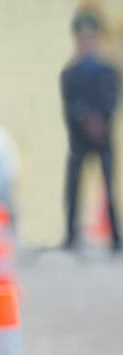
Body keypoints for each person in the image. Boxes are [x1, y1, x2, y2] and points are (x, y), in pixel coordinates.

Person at [62, 12, 121, 250]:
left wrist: (101, 121)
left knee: (109, 186)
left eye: (91, 37)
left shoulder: (108, 71)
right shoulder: (70, 73)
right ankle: (71, 235)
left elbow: (113, 100)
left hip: (103, 137)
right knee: (74, 187)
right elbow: (70, 105)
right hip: (80, 139)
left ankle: (115, 236)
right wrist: (86, 119)